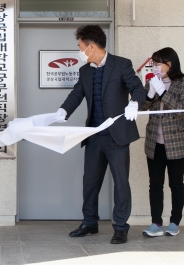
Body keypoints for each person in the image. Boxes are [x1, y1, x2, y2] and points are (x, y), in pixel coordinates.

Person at [53, 25, 146, 244]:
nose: (79, 51)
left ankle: (121, 227)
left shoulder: (122, 64)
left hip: (117, 136)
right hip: (94, 135)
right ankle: (89, 222)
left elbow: (138, 88)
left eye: (80, 47)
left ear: (91, 46)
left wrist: (135, 103)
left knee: (121, 183)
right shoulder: (85, 71)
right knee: (90, 182)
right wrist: (63, 110)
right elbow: (77, 94)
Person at [140, 47, 184, 237]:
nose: (154, 67)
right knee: (155, 184)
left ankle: (174, 222)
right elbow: (142, 107)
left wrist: (163, 93)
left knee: (176, 184)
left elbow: (181, 110)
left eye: (158, 63)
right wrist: (149, 93)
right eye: (153, 63)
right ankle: (155, 223)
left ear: (169, 64)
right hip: (154, 141)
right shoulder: (152, 82)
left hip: (177, 142)